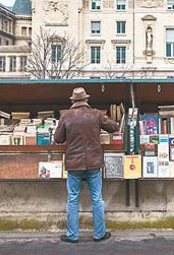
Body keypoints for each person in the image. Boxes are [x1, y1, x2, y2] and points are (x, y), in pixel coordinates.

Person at [53, 87, 119, 243]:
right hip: (93, 163)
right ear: (86, 100)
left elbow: (57, 138)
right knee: (97, 198)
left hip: (74, 164)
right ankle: (99, 234)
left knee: (72, 199)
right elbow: (114, 127)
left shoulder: (66, 116)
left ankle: (72, 235)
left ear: (73, 101)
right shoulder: (96, 114)